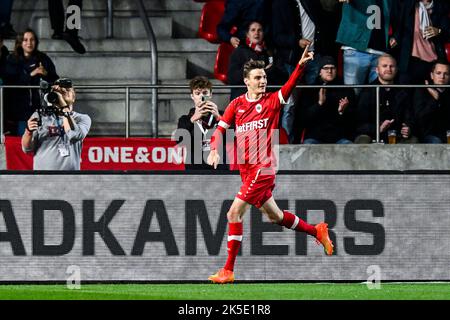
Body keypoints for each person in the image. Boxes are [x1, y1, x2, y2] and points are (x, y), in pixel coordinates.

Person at [206, 46, 334, 284]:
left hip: (263, 169)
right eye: (257, 77)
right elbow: (220, 130)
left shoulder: (272, 101)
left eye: (264, 76)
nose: (262, 80)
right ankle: (317, 230)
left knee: (234, 213)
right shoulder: (236, 105)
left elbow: (290, 85)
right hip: (246, 171)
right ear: (246, 81)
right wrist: (214, 149)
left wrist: (300, 65)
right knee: (275, 216)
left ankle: (228, 270)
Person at [22, 78, 91, 170]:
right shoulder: (40, 116)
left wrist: (62, 106)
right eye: (60, 91)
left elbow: (74, 135)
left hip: (71, 177)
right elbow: (27, 149)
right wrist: (28, 132)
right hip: (43, 177)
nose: (63, 92)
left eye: (67, 90)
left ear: (74, 97)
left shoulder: (82, 118)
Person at [4, 28, 59, 136]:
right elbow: (10, 83)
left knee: (43, 144)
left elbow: (55, 80)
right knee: (24, 144)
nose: (29, 43)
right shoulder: (12, 60)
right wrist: (30, 75)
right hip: (20, 113)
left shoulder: (43, 58)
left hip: (42, 111)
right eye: (25, 40)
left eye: (32, 39)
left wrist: (46, 74)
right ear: (20, 43)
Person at [354, 54, 418, 143]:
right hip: (372, 135)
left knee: (413, 140)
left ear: (396, 70)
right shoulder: (367, 91)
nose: (388, 69)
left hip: (396, 135)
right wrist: (378, 128)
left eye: (392, 66)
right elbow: (360, 123)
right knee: (362, 140)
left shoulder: (403, 91)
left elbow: (410, 116)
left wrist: (408, 128)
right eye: (384, 66)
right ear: (377, 70)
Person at [336, 0, 400, 88]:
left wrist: (395, 35)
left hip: (380, 52)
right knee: (353, 93)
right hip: (356, 48)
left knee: (378, 96)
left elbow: (397, 15)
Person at [300, 55, 356, 144]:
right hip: (315, 136)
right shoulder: (310, 89)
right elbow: (303, 119)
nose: (329, 71)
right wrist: (319, 104)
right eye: (326, 68)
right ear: (319, 72)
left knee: (349, 146)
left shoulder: (346, 89)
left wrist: (341, 111)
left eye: (332, 68)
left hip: (339, 136)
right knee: (308, 146)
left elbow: (353, 121)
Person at [392, 0, 450, 84]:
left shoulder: (440, 7)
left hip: (432, 61)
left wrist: (439, 31)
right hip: (409, 60)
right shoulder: (408, 4)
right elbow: (397, 24)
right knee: (405, 93)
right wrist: (395, 37)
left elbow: (447, 32)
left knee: (433, 94)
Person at [176, 76, 227, 170]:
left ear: (211, 94)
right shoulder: (185, 120)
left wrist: (219, 118)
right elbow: (180, 141)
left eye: (205, 93)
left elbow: (233, 137)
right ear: (192, 96)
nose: (201, 96)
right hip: (194, 169)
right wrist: (193, 119)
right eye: (197, 93)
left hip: (219, 167)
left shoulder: (223, 116)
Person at [227, 21, 287, 100]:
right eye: (253, 30)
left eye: (260, 30)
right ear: (247, 34)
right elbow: (232, 79)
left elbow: (284, 77)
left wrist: (268, 71)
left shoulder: (271, 52)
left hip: (267, 100)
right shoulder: (239, 52)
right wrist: (248, 69)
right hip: (244, 100)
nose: (256, 33)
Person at [413, 59, 450, 143]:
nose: (442, 77)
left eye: (446, 74)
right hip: (429, 135)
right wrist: (435, 99)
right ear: (432, 75)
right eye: (438, 73)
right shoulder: (422, 91)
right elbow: (420, 117)